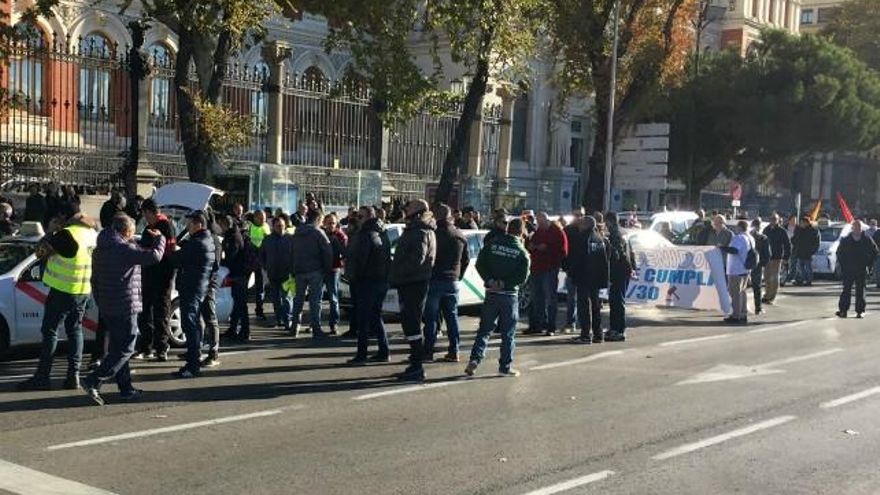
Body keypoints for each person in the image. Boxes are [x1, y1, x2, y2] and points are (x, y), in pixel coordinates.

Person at [81, 214, 165, 405]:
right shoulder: (124, 249)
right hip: (125, 305)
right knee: (126, 348)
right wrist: (160, 238)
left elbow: (95, 280)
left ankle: (126, 388)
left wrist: (101, 302)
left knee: (117, 348)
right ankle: (94, 380)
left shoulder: (100, 249)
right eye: (132, 233)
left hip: (108, 305)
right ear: (126, 232)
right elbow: (154, 256)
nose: (132, 236)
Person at [16, 211, 98, 391]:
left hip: (62, 291)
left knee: (50, 331)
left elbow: (40, 253)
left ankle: (42, 377)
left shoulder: (66, 234)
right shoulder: (91, 235)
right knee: (75, 331)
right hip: (82, 290)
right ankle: (73, 376)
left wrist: (50, 232)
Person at [464, 218, 530, 377]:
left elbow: (480, 264)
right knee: (508, 333)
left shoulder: (492, 244)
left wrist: (490, 280)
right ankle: (505, 366)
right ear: (521, 232)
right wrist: (505, 283)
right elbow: (523, 276)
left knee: (484, 330)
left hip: (491, 294)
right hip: (509, 295)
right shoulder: (522, 252)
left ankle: (474, 359)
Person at [389, 199, 436, 382]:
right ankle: (415, 364)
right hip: (411, 282)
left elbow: (416, 260)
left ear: (417, 212)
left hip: (413, 284)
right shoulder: (418, 230)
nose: (405, 211)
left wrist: (397, 272)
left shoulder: (420, 232)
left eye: (408, 208)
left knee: (412, 323)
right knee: (410, 323)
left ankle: (417, 366)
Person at [171, 211, 216, 378]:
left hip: (192, 287)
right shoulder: (207, 240)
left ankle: (192, 365)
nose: (187, 226)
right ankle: (193, 361)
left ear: (198, 224)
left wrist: (172, 247)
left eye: (189, 224)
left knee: (190, 326)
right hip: (198, 286)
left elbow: (176, 259)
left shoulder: (197, 243)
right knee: (194, 324)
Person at [423, 204, 470, 362]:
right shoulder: (459, 234)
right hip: (452, 281)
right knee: (452, 317)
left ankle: (428, 351)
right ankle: (454, 350)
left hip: (435, 279)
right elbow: (465, 260)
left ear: (435, 216)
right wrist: (458, 275)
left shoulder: (433, 233)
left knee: (431, 318)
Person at [346, 206, 392, 363]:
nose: (357, 219)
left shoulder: (366, 235)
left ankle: (362, 354)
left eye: (360, 216)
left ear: (368, 217)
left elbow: (360, 260)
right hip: (380, 281)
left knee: (364, 319)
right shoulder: (382, 233)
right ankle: (384, 351)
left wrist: (354, 278)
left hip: (367, 282)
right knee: (375, 317)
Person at [135, 199, 177, 361]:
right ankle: (146, 347)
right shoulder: (149, 228)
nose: (145, 217)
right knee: (146, 312)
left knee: (161, 312)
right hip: (149, 275)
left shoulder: (165, 226)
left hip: (162, 275)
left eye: (145, 213)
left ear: (149, 212)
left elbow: (169, 250)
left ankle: (161, 347)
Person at [565, 215, 610, 344]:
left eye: (581, 223)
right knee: (595, 306)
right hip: (596, 277)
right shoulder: (600, 239)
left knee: (584, 306)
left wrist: (571, 272)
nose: (579, 226)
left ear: (585, 225)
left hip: (584, 276)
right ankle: (598, 334)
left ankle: (585, 335)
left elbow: (577, 258)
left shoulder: (582, 238)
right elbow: (606, 257)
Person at [289, 208, 333, 338]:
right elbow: (328, 252)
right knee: (315, 301)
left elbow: (291, 251)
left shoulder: (297, 232)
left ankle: (295, 327)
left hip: (299, 270)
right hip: (315, 270)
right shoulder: (318, 233)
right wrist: (326, 268)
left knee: (298, 300)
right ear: (318, 219)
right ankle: (316, 328)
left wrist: (293, 268)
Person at [526, 212, 568, 336]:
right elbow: (530, 245)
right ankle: (538, 325)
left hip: (550, 268)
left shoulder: (557, 232)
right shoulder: (538, 232)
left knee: (550, 299)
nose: (539, 224)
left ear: (546, 220)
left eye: (541, 221)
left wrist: (548, 248)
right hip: (536, 268)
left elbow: (563, 251)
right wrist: (531, 246)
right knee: (536, 298)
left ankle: (551, 327)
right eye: (538, 222)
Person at [836, 220, 878, 319]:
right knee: (846, 290)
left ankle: (860, 311)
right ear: (852, 228)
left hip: (861, 269)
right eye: (855, 227)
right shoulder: (846, 240)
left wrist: (868, 263)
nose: (856, 229)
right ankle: (843, 311)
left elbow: (875, 251)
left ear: (861, 228)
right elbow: (839, 253)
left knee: (860, 290)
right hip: (848, 269)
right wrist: (843, 265)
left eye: (858, 227)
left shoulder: (867, 239)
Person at [220, 215, 251, 342]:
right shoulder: (233, 235)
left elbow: (231, 257)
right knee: (237, 304)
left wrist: (221, 262)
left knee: (240, 303)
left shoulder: (233, 237)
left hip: (239, 274)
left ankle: (245, 331)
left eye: (221, 224)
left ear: (225, 225)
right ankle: (233, 329)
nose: (220, 227)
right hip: (238, 273)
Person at [199, 212, 223, 368]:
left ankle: (213, 353)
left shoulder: (213, 240)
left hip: (208, 284)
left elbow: (215, 265)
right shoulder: (203, 238)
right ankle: (197, 348)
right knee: (200, 318)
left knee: (210, 318)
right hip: (201, 283)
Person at [606, 212, 635, 341]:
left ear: (609, 221)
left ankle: (618, 330)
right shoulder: (624, 232)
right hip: (624, 271)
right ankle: (615, 328)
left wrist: (611, 267)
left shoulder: (614, 234)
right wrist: (632, 267)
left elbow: (618, 254)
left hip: (618, 272)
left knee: (616, 301)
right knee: (617, 300)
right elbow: (631, 252)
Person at [262, 216, 294, 331]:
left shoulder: (290, 239)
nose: (280, 228)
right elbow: (262, 254)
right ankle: (279, 318)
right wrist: (266, 266)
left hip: (287, 274)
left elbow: (295, 255)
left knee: (287, 298)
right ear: (273, 227)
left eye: (282, 226)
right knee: (275, 299)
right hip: (273, 274)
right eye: (278, 226)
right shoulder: (268, 239)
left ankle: (288, 320)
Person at [720, 220, 754, 324]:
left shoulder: (739, 237)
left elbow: (734, 250)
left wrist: (722, 247)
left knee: (735, 294)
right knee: (742, 293)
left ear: (739, 227)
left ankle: (736, 315)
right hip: (745, 269)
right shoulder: (750, 237)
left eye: (736, 227)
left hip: (736, 269)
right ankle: (743, 313)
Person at [321, 213, 348, 335]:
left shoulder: (340, 236)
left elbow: (345, 253)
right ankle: (314, 324)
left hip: (333, 270)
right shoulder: (321, 234)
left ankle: (334, 324)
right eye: (329, 223)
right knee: (316, 298)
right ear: (324, 223)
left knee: (333, 298)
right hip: (321, 269)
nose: (331, 225)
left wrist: (336, 242)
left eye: (333, 223)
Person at [562, 208, 585, 333]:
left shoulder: (587, 230)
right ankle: (570, 323)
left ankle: (585, 325)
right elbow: (563, 250)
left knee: (584, 299)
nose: (579, 217)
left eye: (581, 215)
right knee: (571, 298)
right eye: (576, 215)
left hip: (585, 270)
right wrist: (565, 267)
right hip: (571, 270)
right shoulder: (567, 230)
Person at [761, 213, 791, 304]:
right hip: (767, 257)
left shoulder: (781, 231)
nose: (773, 221)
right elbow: (762, 242)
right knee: (767, 276)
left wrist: (786, 257)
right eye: (771, 219)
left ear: (778, 220)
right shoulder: (766, 230)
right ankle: (767, 294)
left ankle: (771, 296)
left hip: (777, 257)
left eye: (775, 219)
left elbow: (787, 244)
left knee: (774, 277)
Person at [247, 210, 272, 319]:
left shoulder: (266, 226)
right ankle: (241, 311)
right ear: (255, 218)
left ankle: (259, 310)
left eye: (264, 218)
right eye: (261, 218)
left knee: (260, 288)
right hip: (250, 260)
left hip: (261, 261)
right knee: (244, 286)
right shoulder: (249, 226)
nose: (263, 220)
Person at [750, 218, 771, 315]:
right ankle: (758, 308)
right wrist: (763, 264)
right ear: (759, 226)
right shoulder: (763, 238)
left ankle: (739, 308)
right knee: (757, 287)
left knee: (742, 287)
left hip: (745, 264)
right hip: (757, 265)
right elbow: (767, 254)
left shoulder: (747, 236)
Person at [791, 216, 820, 286]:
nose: (801, 224)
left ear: (807, 223)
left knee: (808, 267)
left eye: (803, 222)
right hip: (799, 251)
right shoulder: (799, 230)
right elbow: (794, 239)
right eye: (801, 223)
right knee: (799, 267)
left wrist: (812, 251)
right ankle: (800, 279)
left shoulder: (813, 230)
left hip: (808, 252)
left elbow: (816, 242)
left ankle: (809, 280)